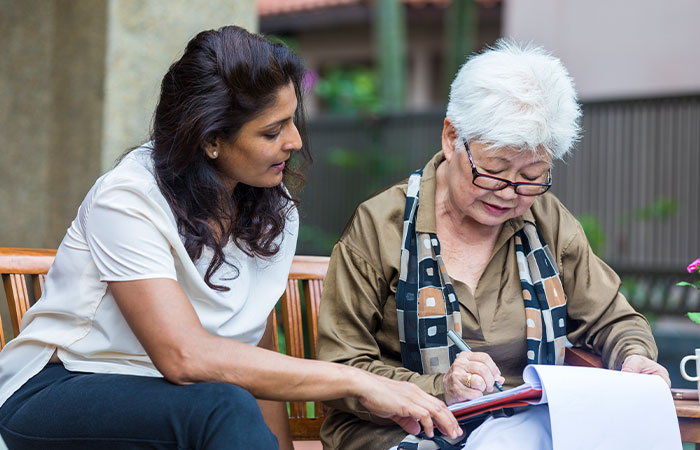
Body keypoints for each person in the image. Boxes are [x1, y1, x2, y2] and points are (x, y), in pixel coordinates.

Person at [0, 26, 462, 450]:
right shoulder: (128, 198)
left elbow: (249, 353)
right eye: (272, 130)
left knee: (222, 402)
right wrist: (357, 381)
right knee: (220, 404)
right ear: (210, 139)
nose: (296, 141)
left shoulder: (269, 208)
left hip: (180, 405)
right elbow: (184, 357)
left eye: (292, 120)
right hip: (58, 389)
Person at [315, 40, 671, 450]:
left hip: (525, 425)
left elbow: (614, 319)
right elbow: (341, 367)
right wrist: (438, 387)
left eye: (532, 175)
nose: (509, 192)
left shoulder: (548, 222)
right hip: (401, 431)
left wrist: (634, 357)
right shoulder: (381, 226)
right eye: (495, 171)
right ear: (451, 138)